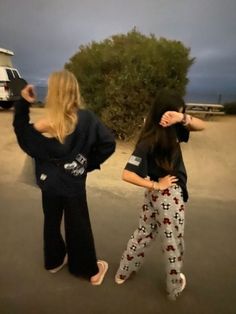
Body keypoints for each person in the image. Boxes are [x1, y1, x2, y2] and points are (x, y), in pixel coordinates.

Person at [13, 69, 116, 285]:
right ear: (74, 91)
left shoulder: (47, 123)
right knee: (78, 224)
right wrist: (87, 163)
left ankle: (53, 261)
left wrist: (24, 103)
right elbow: (108, 144)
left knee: (51, 221)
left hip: (48, 182)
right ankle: (88, 271)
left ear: (54, 93)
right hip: (73, 184)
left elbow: (22, 133)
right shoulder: (87, 119)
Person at [114, 90, 205, 300]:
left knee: (143, 233)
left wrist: (181, 118)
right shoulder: (150, 140)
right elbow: (126, 174)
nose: (178, 117)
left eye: (181, 114)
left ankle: (123, 273)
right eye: (175, 113)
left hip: (154, 196)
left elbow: (202, 126)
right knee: (173, 242)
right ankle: (174, 289)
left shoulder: (174, 129)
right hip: (168, 194)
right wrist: (156, 184)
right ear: (163, 112)